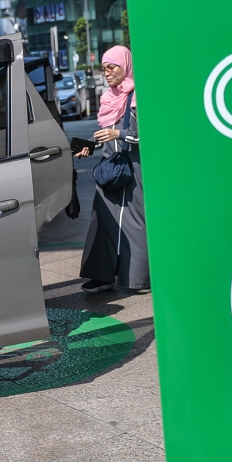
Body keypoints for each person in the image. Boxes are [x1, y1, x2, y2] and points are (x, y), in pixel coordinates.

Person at [75, 45, 149, 294]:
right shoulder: (109, 98)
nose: (107, 73)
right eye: (104, 68)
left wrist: (118, 133)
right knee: (103, 219)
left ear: (126, 66)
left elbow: (147, 136)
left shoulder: (138, 98)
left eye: (112, 67)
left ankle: (136, 278)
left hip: (131, 169)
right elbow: (106, 134)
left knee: (134, 223)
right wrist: (91, 145)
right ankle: (101, 275)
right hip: (110, 168)